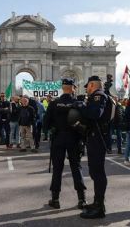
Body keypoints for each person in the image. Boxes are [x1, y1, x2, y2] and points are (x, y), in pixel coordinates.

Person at [44, 78, 87, 210]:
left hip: (58, 138)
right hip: (74, 139)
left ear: (62, 88)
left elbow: (45, 124)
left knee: (57, 169)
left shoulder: (54, 103)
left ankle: (55, 199)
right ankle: (82, 199)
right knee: (76, 168)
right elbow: (85, 123)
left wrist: (53, 129)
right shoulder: (78, 103)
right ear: (73, 88)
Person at [77, 76, 110, 219]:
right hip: (95, 137)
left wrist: (81, 106)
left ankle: (99, 207)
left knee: (97, 172)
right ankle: (97, 202)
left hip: (98, 138)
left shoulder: (99, 96)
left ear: (92, 85)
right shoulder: (98, 96)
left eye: (88, 86)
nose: (86, 89)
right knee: (94, 171)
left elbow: (95, 114)